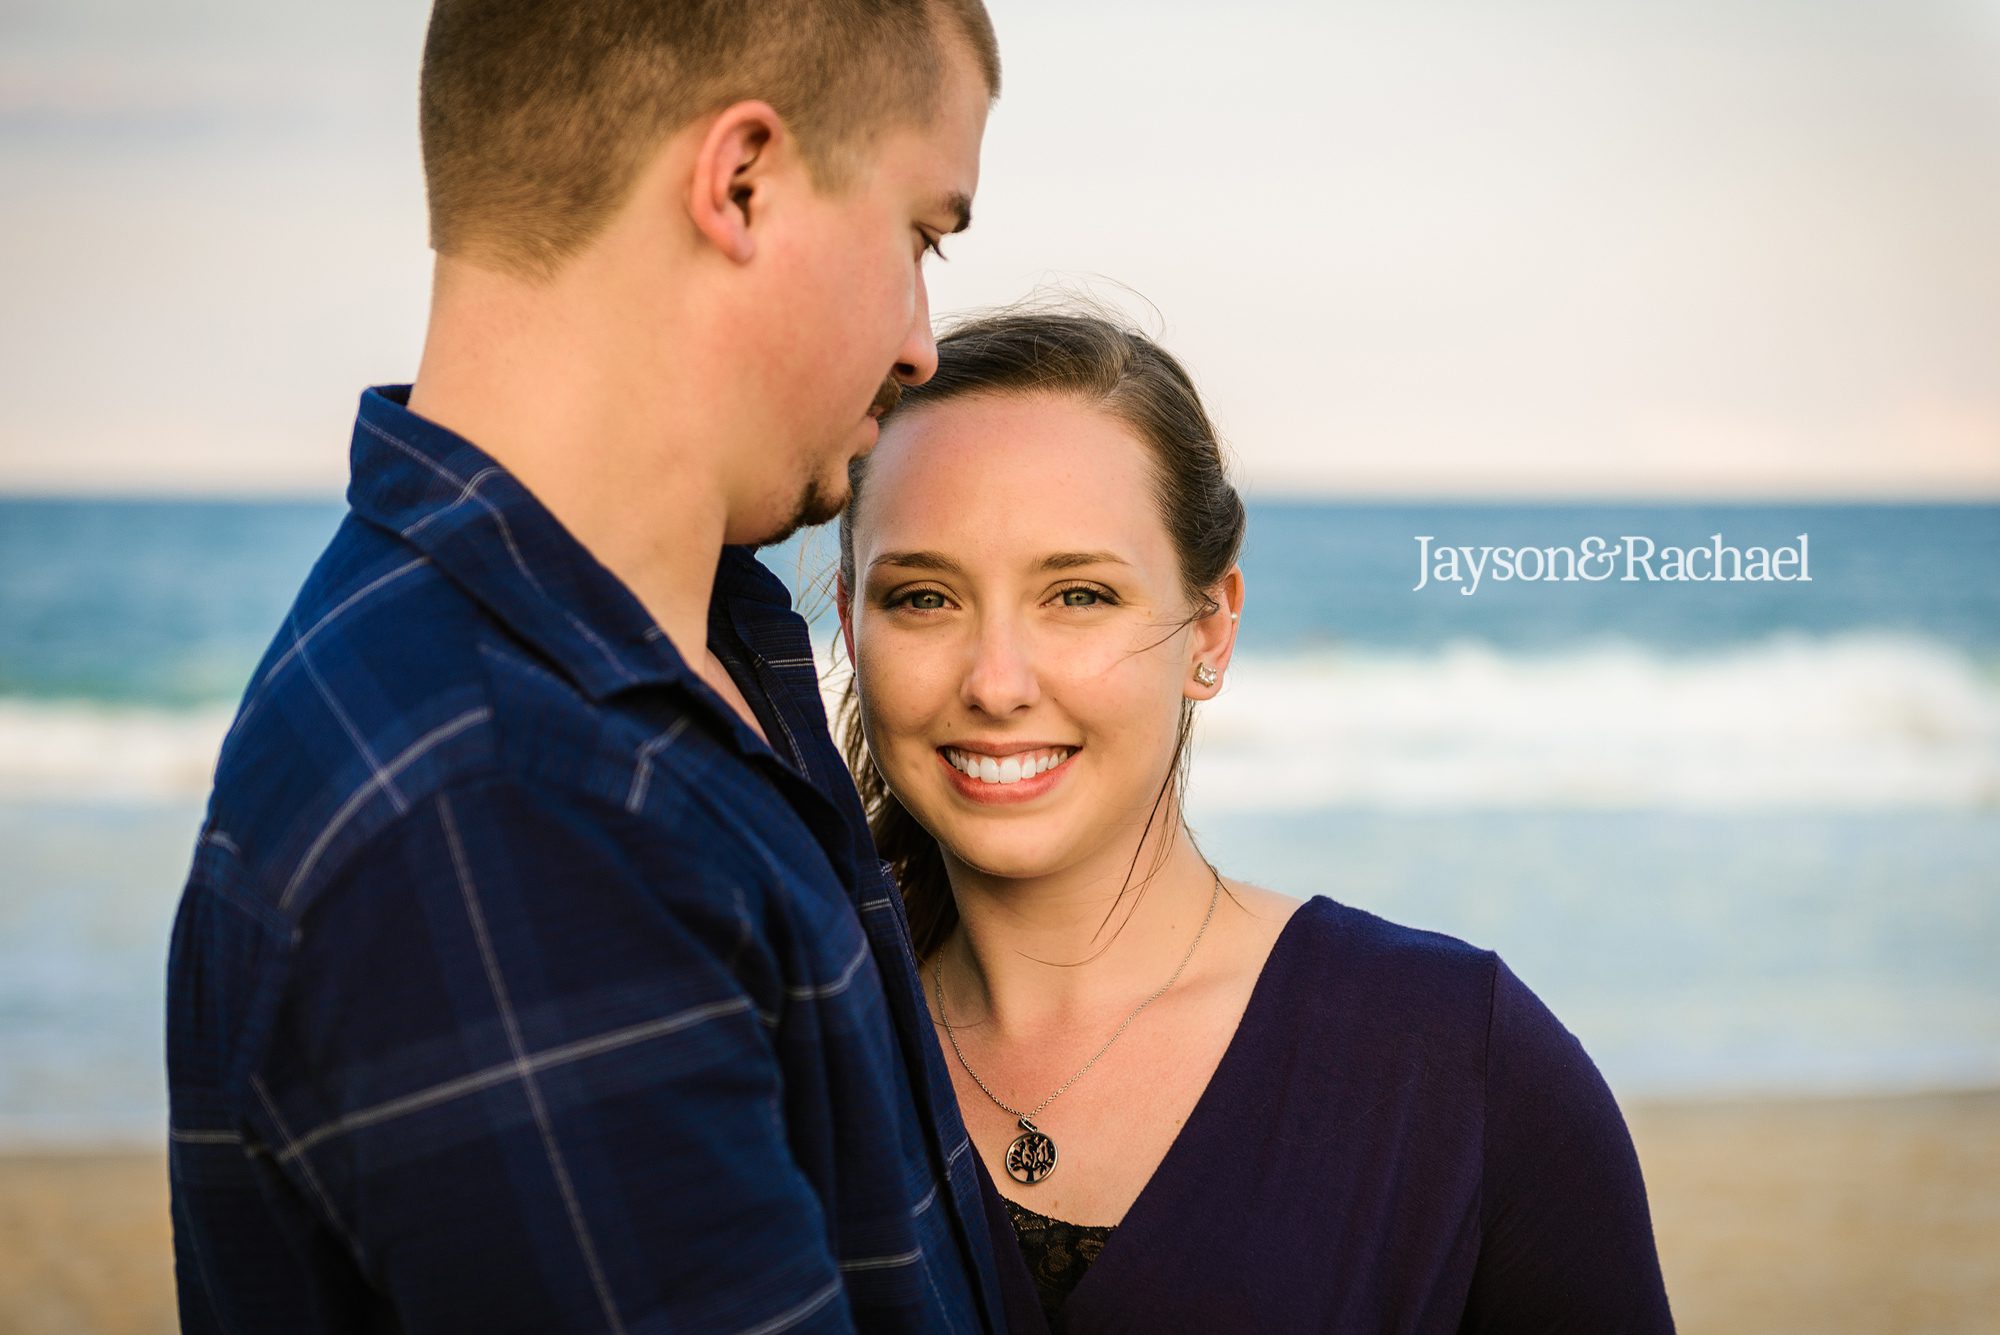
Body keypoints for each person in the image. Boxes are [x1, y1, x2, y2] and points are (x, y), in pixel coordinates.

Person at [164, 3, 1009, 1331]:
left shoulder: (671, 652)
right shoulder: (511, 796)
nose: (921, 339)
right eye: (919, 234)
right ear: (741, 182)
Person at [834, 308, 1677, 1332]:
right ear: (847, 622)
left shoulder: (1458, 1066)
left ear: (1209, 629)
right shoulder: (789, 1053)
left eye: (1078, 595)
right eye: (923, 597)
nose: (995, 682)